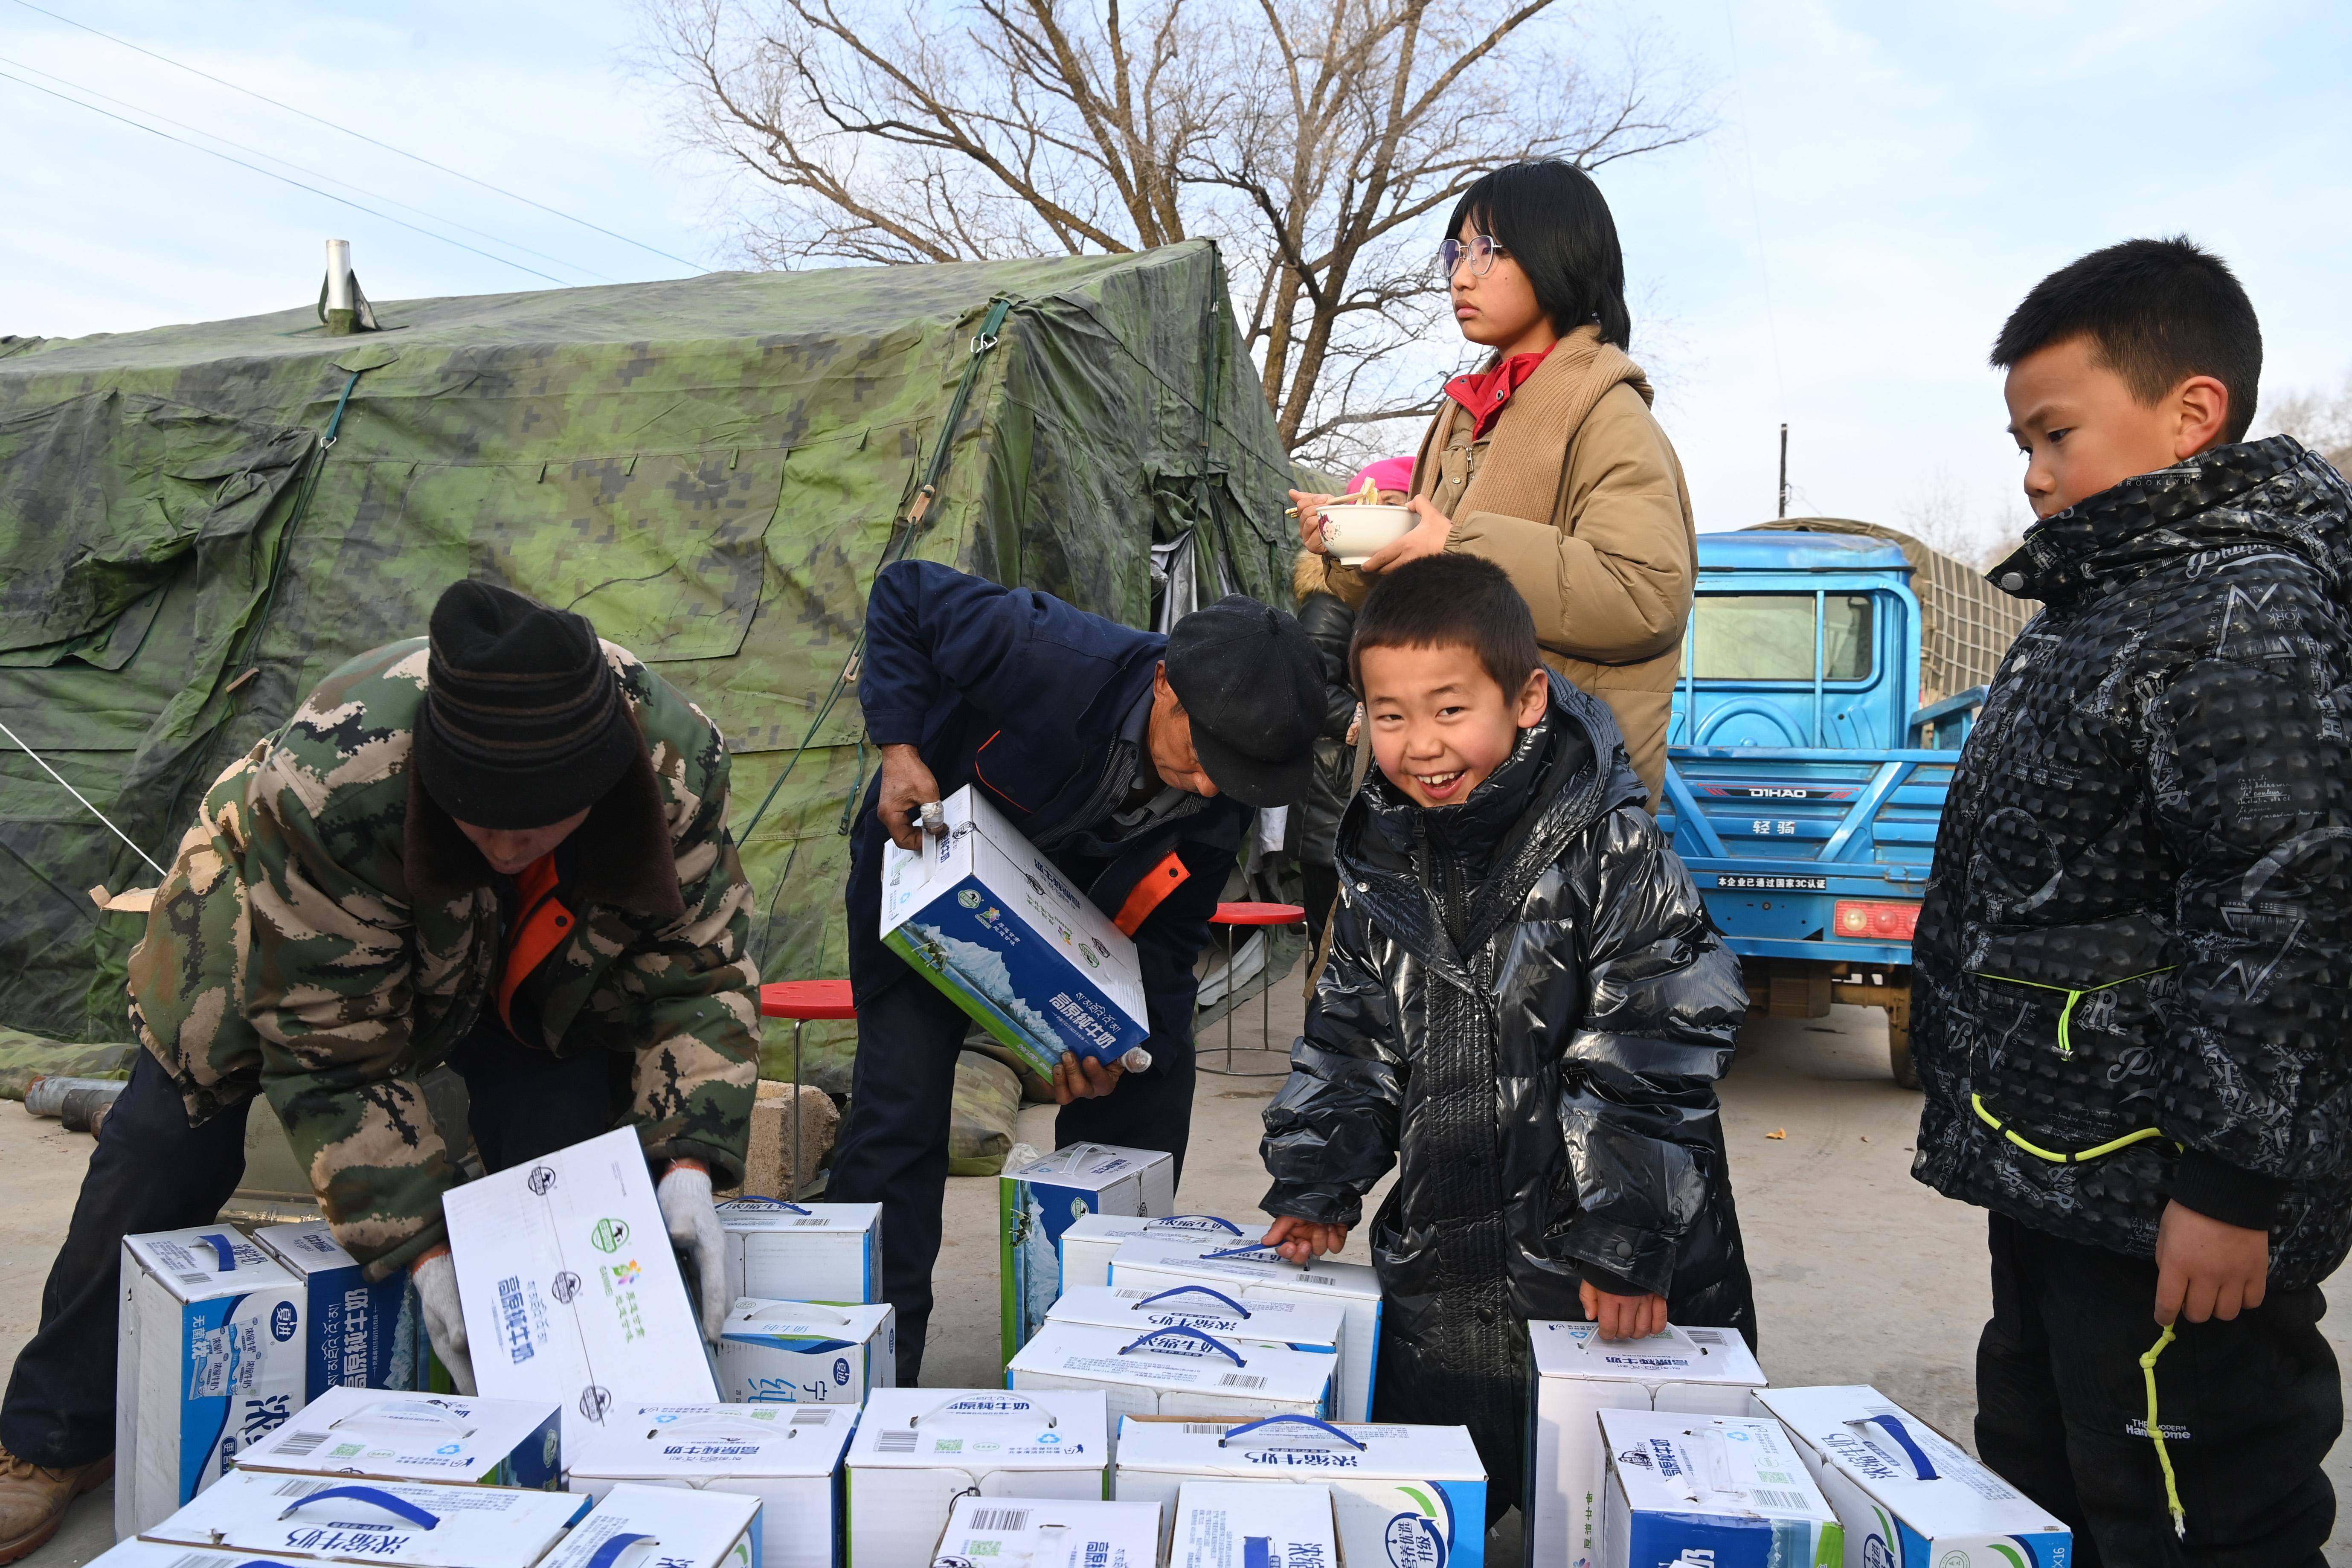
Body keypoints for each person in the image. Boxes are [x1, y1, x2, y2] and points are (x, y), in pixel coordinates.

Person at [0, 582, 759, 1563]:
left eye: (532, 829)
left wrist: (692, 1157)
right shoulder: (330, 775)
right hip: (283, 917)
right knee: (164, 1137)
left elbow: (700, 969)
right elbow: (331, 1042)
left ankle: (591, 1427)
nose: (504, 845)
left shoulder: (674, 767)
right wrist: (423, 1248)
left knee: (572, 1160)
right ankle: (47, 1435)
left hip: (532, 952)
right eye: (484, 823)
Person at [1911, 238, 2352, 1565]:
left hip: (2168, 1184)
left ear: (2190, 412)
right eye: (2020, 443)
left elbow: (2285, 900)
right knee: (2047, 1468)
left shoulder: (2245, 610)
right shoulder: (2101, 599)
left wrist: (2229, 1183)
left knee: (2195, 1503)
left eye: (2056, 433)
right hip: (2059, 1159)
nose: (2035, 473)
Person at [1255, 554, 1755, 1519]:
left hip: (1593, 1278)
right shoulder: (1379, 865)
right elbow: (1350, 1037)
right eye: (1391, 714)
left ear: (1526, 698)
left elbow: (1654, 1044)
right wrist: (1321, 1177)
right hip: (1445, 1277)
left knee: (1606, 1514)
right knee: (1441, 1512)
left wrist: (1623, 1238)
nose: (1422, 744)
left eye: (1450, 709)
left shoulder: (1614, 850)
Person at [830, 559, 1324, 1383]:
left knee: (1150, 1074)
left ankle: (1097, 1355)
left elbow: (1167, 941)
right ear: (1165, 687)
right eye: (1203, 757)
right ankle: (873, 1370)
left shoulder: (1222, 785)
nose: (1208, 785)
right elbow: (903, 595)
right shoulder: (1048, 653)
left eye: (1231, 777)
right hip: (932, 878)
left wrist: (1108, 1037)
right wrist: (901, 746)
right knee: (901, 1111)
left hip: (1067, 917)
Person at [1289, 160, 1696, 811]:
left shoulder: (1608, 413)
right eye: (1455, 251)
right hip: (1434, 794)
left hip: (1547, 803)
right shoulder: (1465, 410)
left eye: (1487, 250)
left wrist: (1455, 545)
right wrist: (1355, 545)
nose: (1460, 274)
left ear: (1558, 254)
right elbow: (1436, 588)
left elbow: (1645, 596)